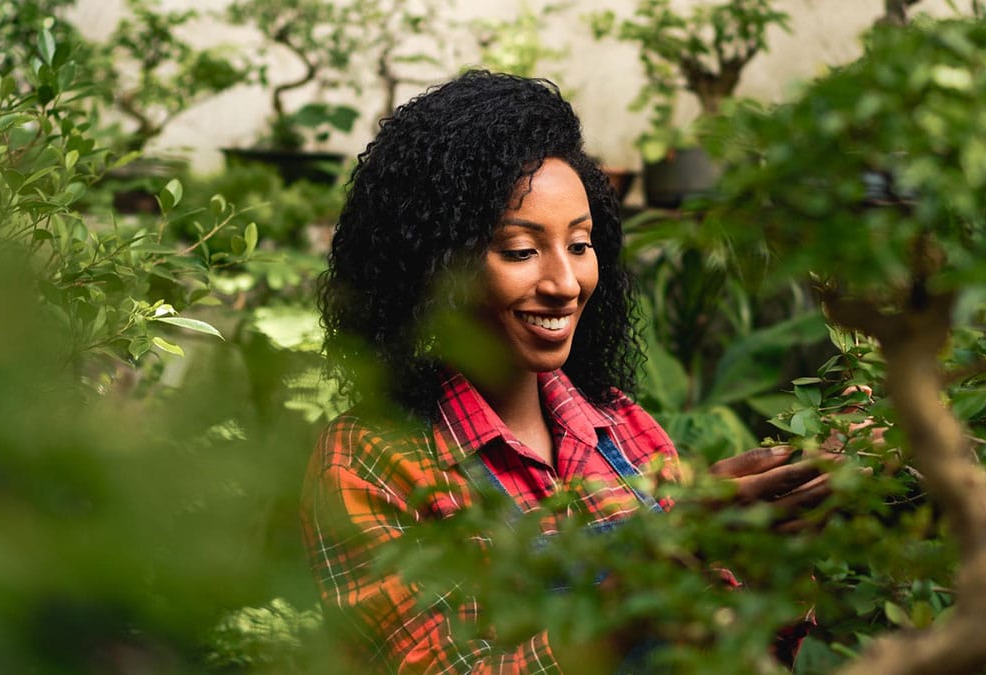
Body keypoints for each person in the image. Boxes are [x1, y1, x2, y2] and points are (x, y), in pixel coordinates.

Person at [301, 70, 831, 673]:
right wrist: (647, 571)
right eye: (521, 251)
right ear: (436, 267)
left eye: (579, 244)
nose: (564, 283)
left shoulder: (624, 429)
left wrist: (775, 553)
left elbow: (745, 648)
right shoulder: (373, 460)